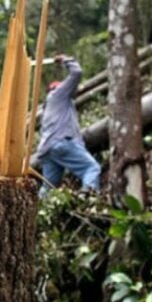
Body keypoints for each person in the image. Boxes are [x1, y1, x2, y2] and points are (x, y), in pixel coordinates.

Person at [34, 54, 101, 197]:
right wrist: (66, 60)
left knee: (49, 187)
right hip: (61, 143)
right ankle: (88, 200)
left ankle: (38, 212)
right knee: (92, 168)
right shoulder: (59, 94)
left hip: (47, 150)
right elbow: (77, 73)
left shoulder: (50, 106)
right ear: (55, 88)